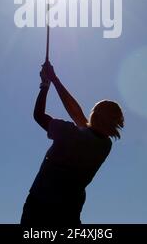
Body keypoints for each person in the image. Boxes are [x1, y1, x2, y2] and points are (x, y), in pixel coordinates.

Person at [20, 61, 124, 225]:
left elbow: (39, 115)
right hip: (69, 212)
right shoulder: (104, 146)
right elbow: (79, 117)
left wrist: (45, 84)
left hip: (40, 207)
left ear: (95, 116)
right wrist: (55, 79)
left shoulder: (69, 134)